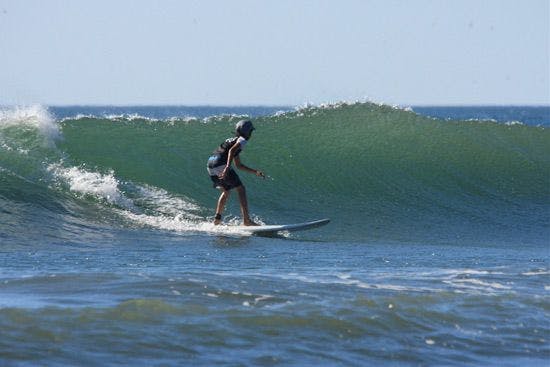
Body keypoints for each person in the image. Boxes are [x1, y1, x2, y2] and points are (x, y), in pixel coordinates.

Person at [207, 120, 265, 225]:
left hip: (211, 164)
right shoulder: (242, 140)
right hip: (221, 163)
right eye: (251, 131)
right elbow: (231, 151)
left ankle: (217, 219)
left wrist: (255, 172)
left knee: (226, 191)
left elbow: (238, 165)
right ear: (247, 132)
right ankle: (246, 220)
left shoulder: (232, 140)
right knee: (241, 189)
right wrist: (227, 167)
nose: (251, 134)